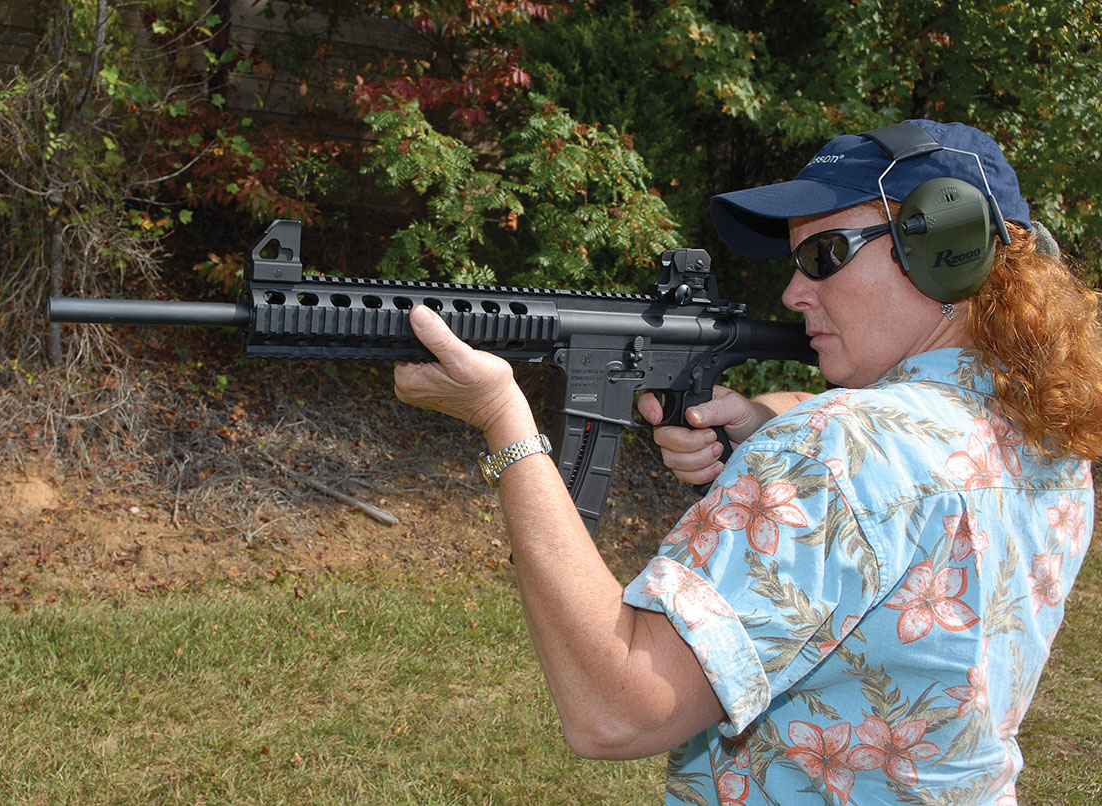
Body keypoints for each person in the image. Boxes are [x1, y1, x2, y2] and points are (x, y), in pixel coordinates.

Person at [394, 119, 1102, 805]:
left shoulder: (836, 450)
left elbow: (615, 709)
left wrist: (506, 423)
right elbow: (900, 457)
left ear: (944, 245)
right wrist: (765, 422)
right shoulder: (1046, 432)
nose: (795, 293)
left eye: (824, 255)